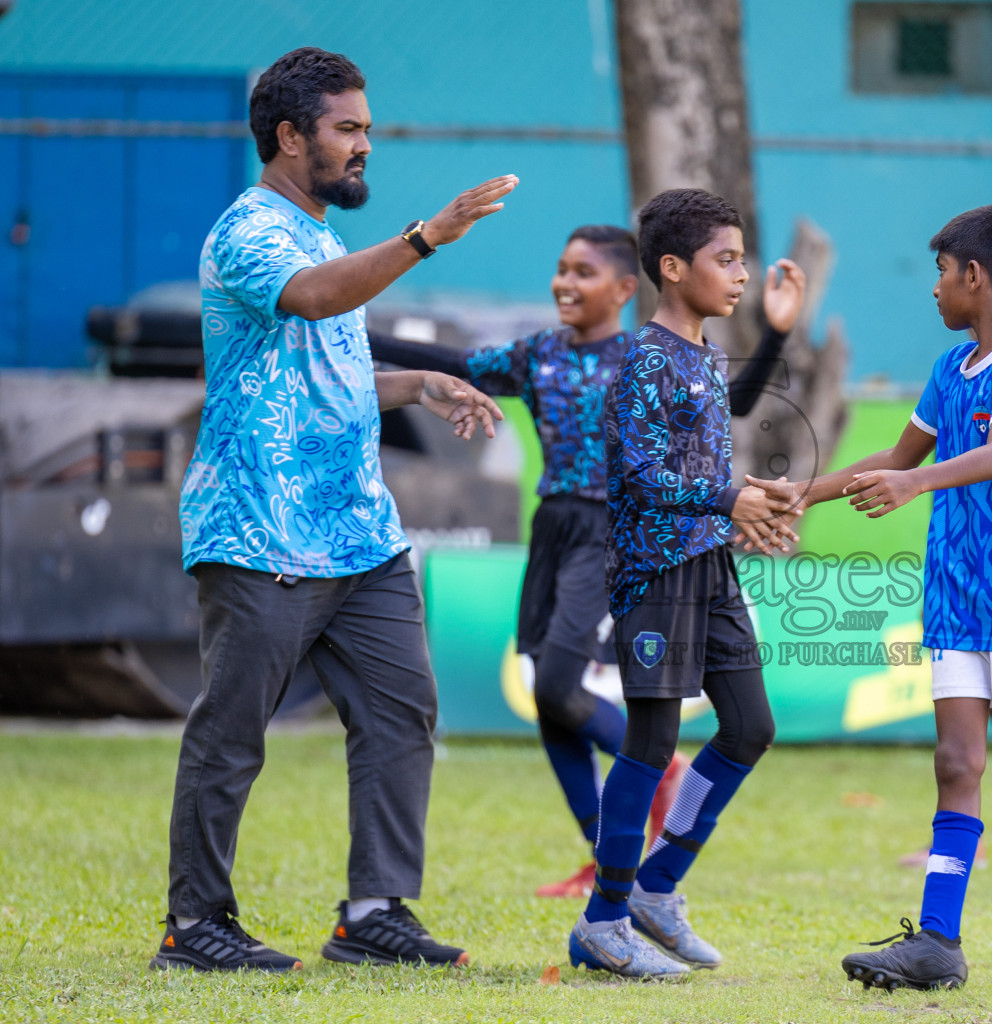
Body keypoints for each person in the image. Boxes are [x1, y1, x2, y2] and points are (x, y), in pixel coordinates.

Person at [153, 47, 512, 973]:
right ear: (289, 136)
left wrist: (420, 384)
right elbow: (312, 304)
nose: (364, 146)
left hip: (358, 532)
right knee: (232, 732)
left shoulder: (321, 233)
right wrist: (425, 238)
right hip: (260, 526)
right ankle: (197, 928)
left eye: (366, 129)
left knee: (402, 711)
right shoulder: (249, 231)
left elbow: (325, 367)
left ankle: (374, 913)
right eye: (347, 130)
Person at [370, 225, 806, 898]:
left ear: (627, 288)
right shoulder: (538, 354)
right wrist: (343, 322)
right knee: (550, 698)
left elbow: (733, 402)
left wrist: (775, 334)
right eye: (561, 269)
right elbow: (454, 361)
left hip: (616, 530)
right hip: (554, 529)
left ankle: (657, 783)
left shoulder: (645, 355)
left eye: (583, 272)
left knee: (556, 688)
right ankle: (607, 858)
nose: (565, 284)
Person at [760, 203, 992, 989]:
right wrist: (800, 495)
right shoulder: (950, 369)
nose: (935, 290)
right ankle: (938, 946)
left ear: (975, 276)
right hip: (953, 598)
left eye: (941, 272)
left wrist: (913, 482)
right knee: (956, 759)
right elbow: (899, 451)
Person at [564, 188, 801, 980]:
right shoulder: (641, 357)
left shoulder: (701, 355)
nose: (740, 274)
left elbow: (698, 468)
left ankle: (656, 890)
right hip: (655, 575)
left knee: (749, 727)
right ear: (673, 268)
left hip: (710, 565)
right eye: (725, 260)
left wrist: (749, 507)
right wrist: (728, 496)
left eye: (742, 259)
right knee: (652, 740)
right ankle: (602, 923)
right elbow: (639, 472)